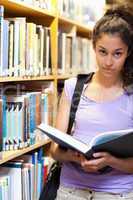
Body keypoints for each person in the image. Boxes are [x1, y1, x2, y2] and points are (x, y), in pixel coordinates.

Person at [51, 4, 133, 200]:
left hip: (117, 193)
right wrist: (73, 156)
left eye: (117, 53)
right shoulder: (73, 87)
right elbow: (54, 151)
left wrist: (110, 161)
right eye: (102, 52)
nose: (108, 62)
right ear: (93, 47)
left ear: (128, 52)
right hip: (70, 191)